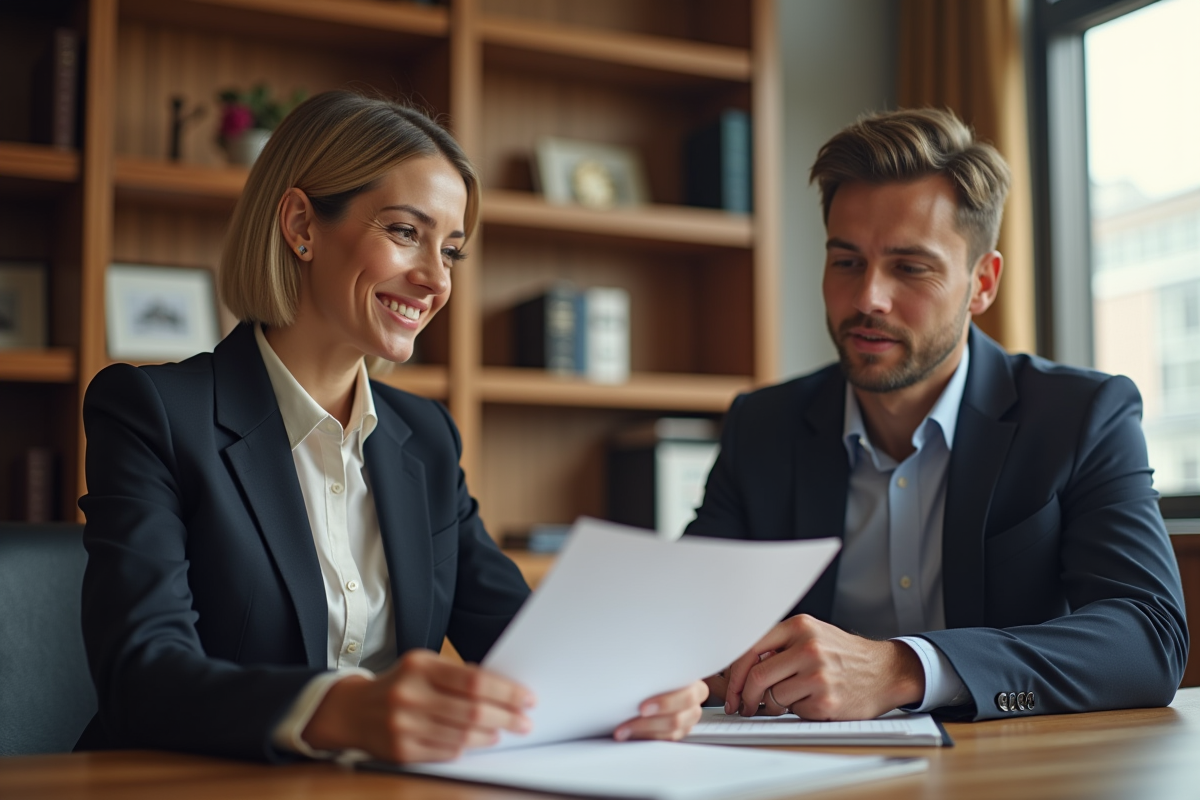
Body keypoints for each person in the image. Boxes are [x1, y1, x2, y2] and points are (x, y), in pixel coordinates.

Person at [77, 90, 706, 763]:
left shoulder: (425, 437)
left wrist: (633, 688)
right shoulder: (154, 412)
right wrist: (340, 710)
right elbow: (142, 675)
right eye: (406, 232)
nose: (436, 279)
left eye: (452, 251)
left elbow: (521, 644)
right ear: (301, 225)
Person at [687, 107, 1188, 722]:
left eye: (910, 267)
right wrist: (679, 669)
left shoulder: (1082, 416)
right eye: (847, 261)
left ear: (983, 282)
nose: (868, 297)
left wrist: (905, 668)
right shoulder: (762, 425)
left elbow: (1148, 639)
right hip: (805, 761)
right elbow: (684, 619)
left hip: (1011, 764)